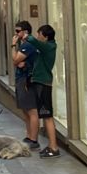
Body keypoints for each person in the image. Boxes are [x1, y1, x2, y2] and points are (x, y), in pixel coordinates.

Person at [29, 24, 59, 157]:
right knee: (45, 115)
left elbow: (33, 41)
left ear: (45, 37)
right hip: (40, 83)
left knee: (47, 116)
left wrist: (25, 35)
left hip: (43, 84)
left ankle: (53, 147)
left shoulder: (48, 47)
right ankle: (51, 146)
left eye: (39, 34)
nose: (37, 36)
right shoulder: (47, 46)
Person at [12, 20, 39, 150]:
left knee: (31, 110)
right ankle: (29, 136)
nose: (15, 34)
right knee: (25, 109)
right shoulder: (24, 44)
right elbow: (17, 61)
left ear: (25, 31)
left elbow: (15, 60)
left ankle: (33, 139)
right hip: (21, 78)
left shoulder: (28, 44)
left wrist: (13, 46)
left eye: (18, 31)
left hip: (26, 79)